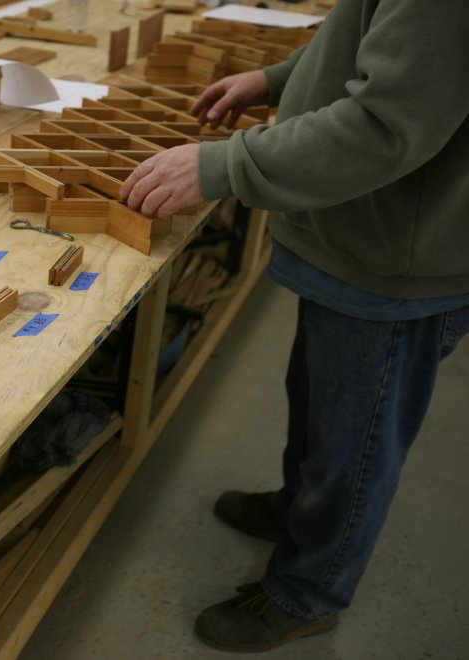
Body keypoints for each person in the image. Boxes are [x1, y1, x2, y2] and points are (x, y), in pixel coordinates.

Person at [119, 0, 469, 652]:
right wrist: (278, 79)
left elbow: (384, 126)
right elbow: (368, 40)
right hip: (358, 234)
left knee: (355, 445)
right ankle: (297, 509)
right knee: (317, 399)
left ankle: (310, 592)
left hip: (393, 259)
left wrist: (223, 166)